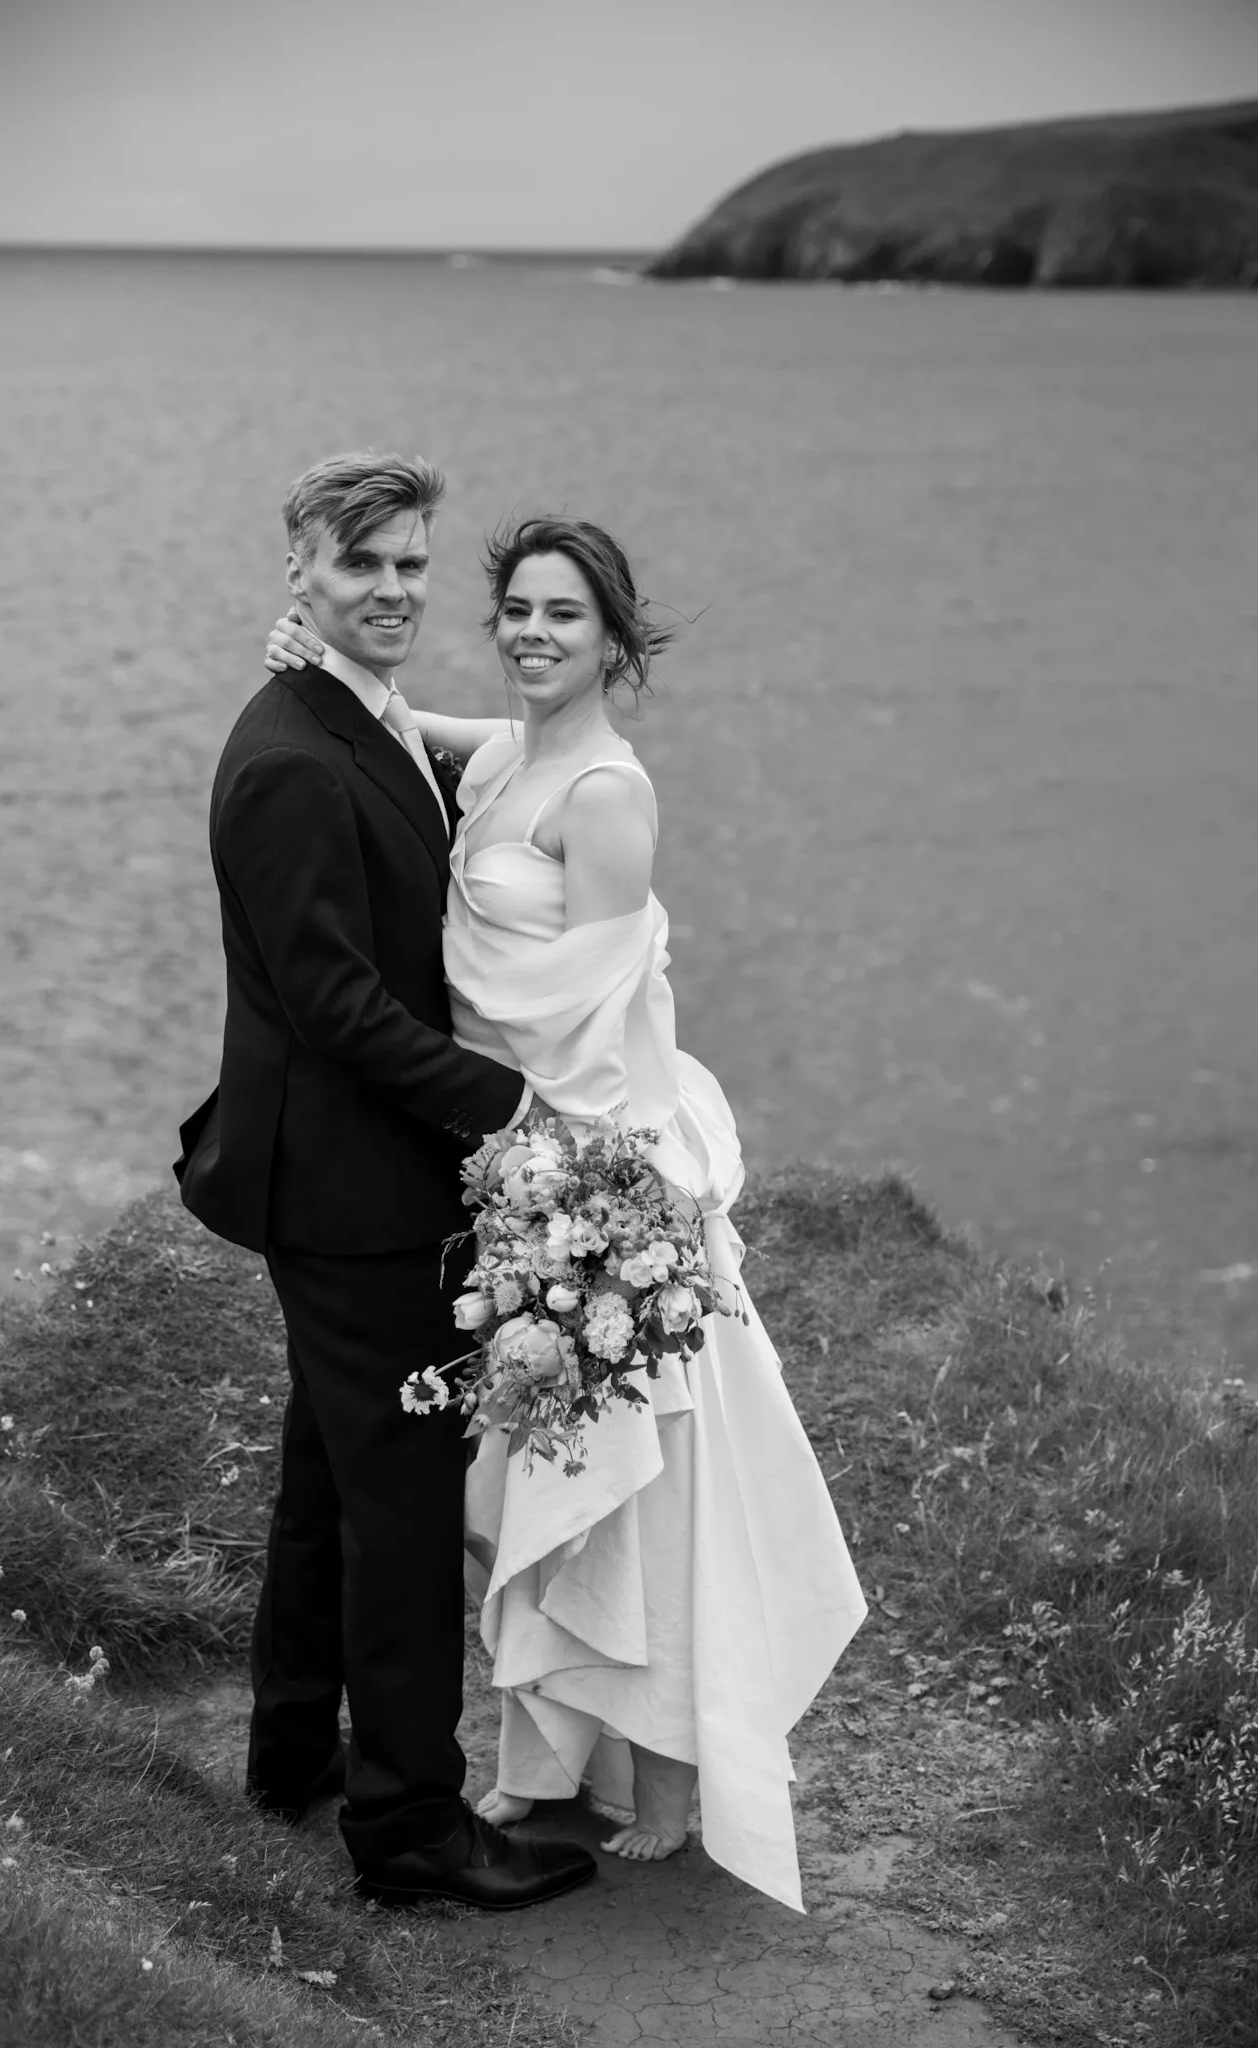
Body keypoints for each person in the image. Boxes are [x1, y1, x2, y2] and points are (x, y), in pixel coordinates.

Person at [264, 512, 868, 1913]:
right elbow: (416, 731)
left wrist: (559, 1189)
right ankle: (561, 1756)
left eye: (566, 618)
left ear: (616, 640)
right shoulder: (512, 752)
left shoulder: (605, 794)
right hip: (519, 1167)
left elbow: (589, 1023)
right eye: (519, 610)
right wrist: (328, 662)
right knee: (531, 1485)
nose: (535, 634)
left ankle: (666, 1775)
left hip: (597, 1173)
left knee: (633, 1481)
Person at [174, 452, 596, 1911]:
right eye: (364, 567)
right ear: (301, 568)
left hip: (341, 1176)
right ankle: (411, 1832)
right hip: (351, 1193)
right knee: (404, 1503)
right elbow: (339, 1009)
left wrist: (557, 735)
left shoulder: (349, 715)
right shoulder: (289, 762)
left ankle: (293, 1756)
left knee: (328, 1481)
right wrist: (517, 1106)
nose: (398, 591)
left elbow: (455, 763)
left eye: (415, 564)